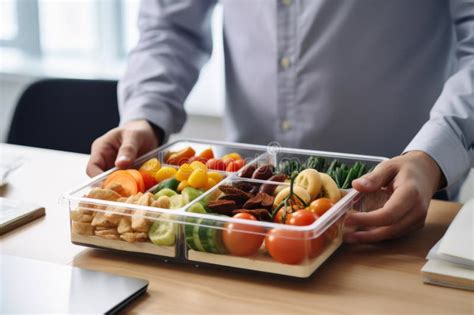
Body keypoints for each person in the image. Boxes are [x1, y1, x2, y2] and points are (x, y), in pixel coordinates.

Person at [87, 1, 474, 244]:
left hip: (400, 201)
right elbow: (170, 27)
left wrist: (433, 155)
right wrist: (146, 115)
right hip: (244, 210)